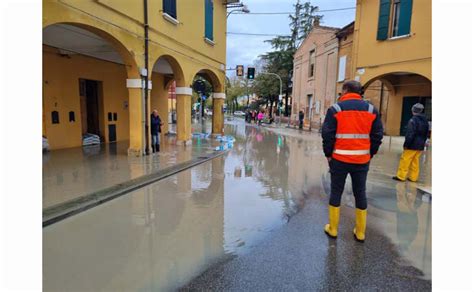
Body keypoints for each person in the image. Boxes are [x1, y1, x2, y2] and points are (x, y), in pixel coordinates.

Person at [321, 80, 384, 242]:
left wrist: (329, 154)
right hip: (362, 160)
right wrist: (370, 154)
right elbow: (377, 135)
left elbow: (327, 135)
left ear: (345, 90)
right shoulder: (372, 110)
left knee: (336, 192)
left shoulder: (335, 109)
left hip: (339, 159)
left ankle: (333, 229)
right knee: (360, 192)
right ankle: (360, 232)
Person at [392, 103, 430, 182]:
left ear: (413, 110)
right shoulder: (425, 121)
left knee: (405, 160)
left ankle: (401, 176)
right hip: (420, 145)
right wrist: (424, 142)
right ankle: (413, 177)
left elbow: (410, 134)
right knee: (415, 161)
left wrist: (406, 144)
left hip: (412, 144)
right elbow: (426, 133)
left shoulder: (413, 120)